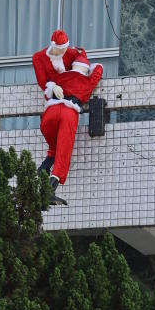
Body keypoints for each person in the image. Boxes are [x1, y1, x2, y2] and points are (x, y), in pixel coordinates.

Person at [31, 30, 104, 205]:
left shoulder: (63, 75)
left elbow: (47, 85)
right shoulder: (84, 82)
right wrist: (92, 68)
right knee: (63, 152)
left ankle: (44, 167)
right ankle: (50, 188)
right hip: (68, 112)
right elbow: (97, 69)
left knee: (54, 148)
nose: (64, 54)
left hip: (50, 112)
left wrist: (53, 85)